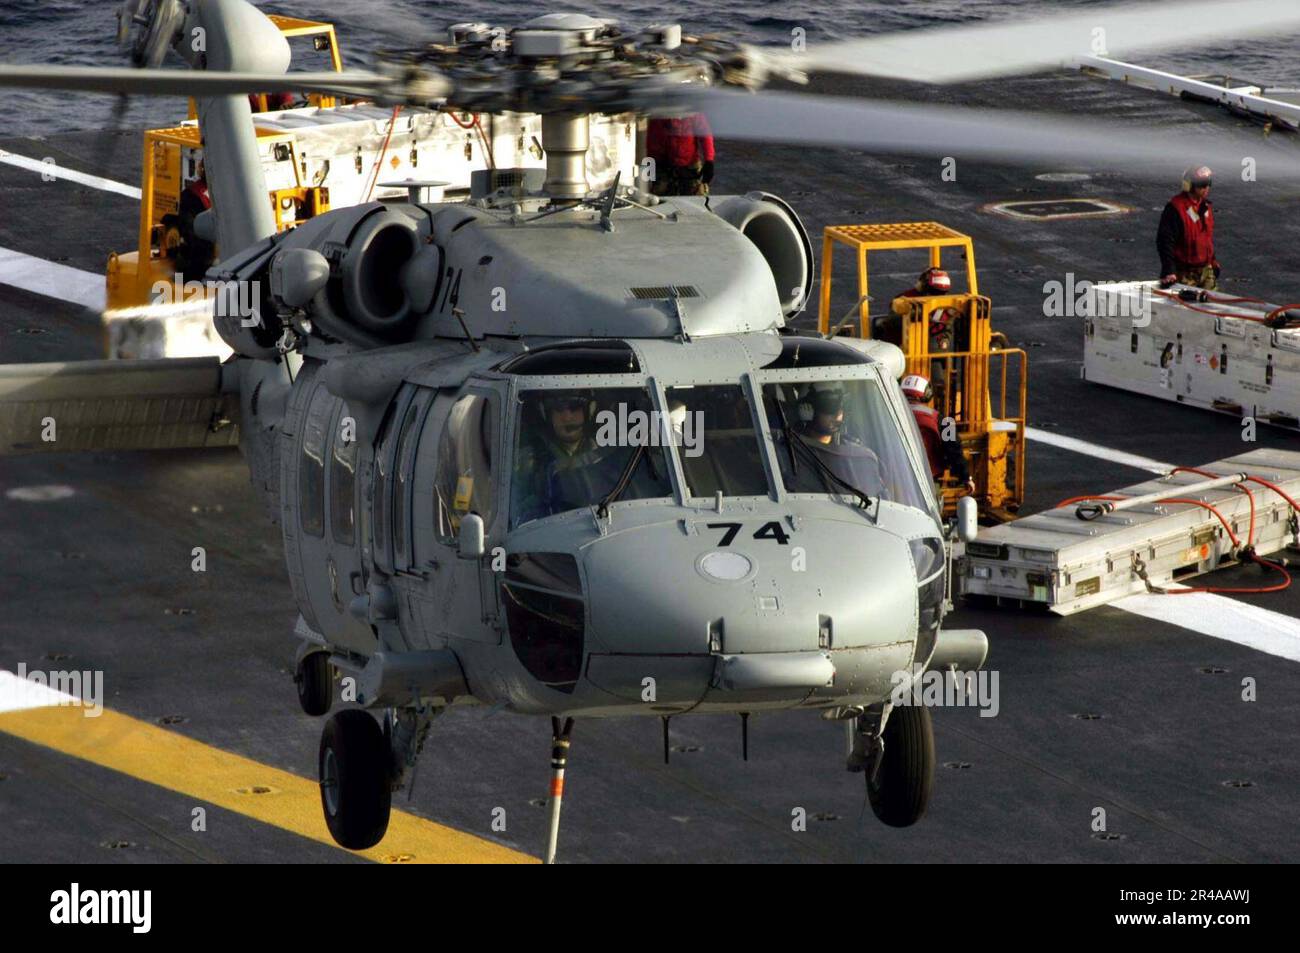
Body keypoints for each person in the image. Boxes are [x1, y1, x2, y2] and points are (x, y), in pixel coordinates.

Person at [774, 382, 886, 500]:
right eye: (829, 405)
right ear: (806, 409)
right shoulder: (788, 452)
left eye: (842, 406)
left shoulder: (855, 453)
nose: (838, 414)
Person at [901, 374, 973, 493]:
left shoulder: (885, 415)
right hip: (929, 478)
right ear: (927, 393)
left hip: (896, 476)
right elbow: (954, 450)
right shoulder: (944, 421)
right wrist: (966, 477)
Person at [1158, 165, 1219, 290]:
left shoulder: (1205, 207)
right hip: (1185, 273)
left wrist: (1213, 262)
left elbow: (1206, 238)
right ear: (1190, 185)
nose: (1206, 188)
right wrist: (1169, 270)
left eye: (1208, 183)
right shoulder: (1176, 209)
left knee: (1213, 305)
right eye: (1202, 184)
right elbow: (1165, 241)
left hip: (1206, 271)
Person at [645, 113, 715, 196]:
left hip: (689, 165)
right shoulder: (659, 114)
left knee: (696, 196)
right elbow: (652, 139)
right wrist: (650, 162)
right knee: (661, 196)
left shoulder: (693, 113)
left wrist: (709, 161)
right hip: (664, 165)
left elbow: (705, 136)